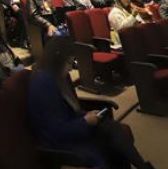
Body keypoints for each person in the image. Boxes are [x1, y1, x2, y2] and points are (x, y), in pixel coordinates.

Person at [28, 37, 155, 168]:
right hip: (57, 142)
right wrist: (85, 121)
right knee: (109, 142)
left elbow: (67, 113)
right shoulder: (43, 84)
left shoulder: (54, 76)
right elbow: (56, 130)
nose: (72, 68)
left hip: (69, 128)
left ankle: (142, 166)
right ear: (57, 60)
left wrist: (86, 115)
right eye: (70, 62)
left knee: (113, 130)